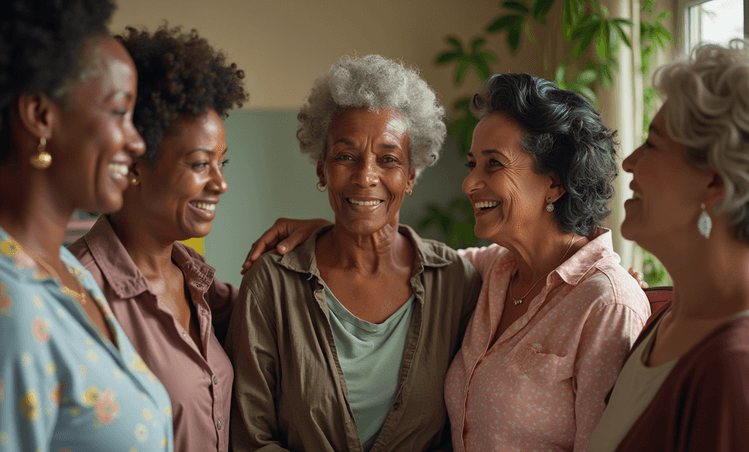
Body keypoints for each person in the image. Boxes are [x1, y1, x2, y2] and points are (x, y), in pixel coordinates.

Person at [246, 73, 651, 451]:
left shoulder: (606, 304)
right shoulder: (492, 270)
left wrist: (617, 293)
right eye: (472, 164)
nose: (469, 183)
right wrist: (333, 231)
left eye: (494, 163)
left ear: (555, 182)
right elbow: (384, 256)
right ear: (323, 169)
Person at [0, 0, 174, 451]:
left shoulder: (66, 272)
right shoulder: (1, 305)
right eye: (119, 111)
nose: (136, 141)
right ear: (40, 116)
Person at [226, 55, 482, 452]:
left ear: (411, 175)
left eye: (388, 159)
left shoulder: (455, 282)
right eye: (346, 157)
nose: (365, 176)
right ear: (322, 170)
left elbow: (461, 430)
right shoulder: (272, 281)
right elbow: (250, 437)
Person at [68, 25, 247, 452]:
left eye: (222, 163)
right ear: (134, 164)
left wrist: (321, 234)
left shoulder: (205, 289)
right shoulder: (78, 293)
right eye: (200, 164)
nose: (220, 183)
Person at [589, 39, 749, 451]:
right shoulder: (663, 321)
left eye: (653, 144)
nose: (629, 162)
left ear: (714, 180)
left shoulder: (734, 367)